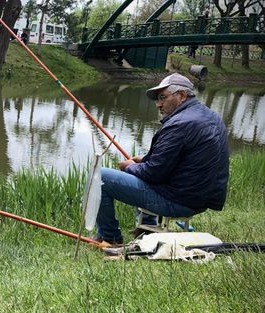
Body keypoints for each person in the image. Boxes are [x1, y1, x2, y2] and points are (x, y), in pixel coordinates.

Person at [93, 73, 230, 245]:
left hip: (181, 201)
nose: (158, 104)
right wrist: (143, 161)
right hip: (200, 199)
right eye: (157, 99)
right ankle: (146, 229)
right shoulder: (211, 116)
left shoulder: (179, 124)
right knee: (141, 169)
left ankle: (110, 237)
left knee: (100, 176)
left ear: (181, 96)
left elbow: (153, 174)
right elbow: (186, 159)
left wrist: (129, 167)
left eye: (163, 98)